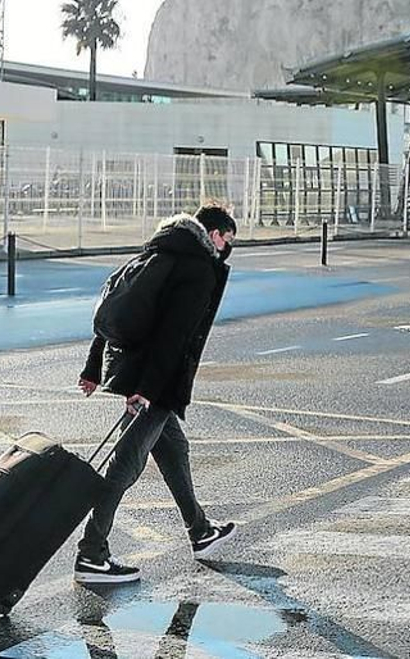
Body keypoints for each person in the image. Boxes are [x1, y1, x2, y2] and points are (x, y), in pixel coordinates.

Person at [74, 206, 240, 584]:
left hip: (137, 372)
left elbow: (114, 311)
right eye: (227, 240)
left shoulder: (155, 252)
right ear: (213, 234)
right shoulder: (196, 268)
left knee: (174, 449)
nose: (227, 249)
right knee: (125, 464)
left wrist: (92, 367)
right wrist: (147, 391)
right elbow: (174, 338)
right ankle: (91, 554)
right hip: (155, 382)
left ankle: (199, 531)